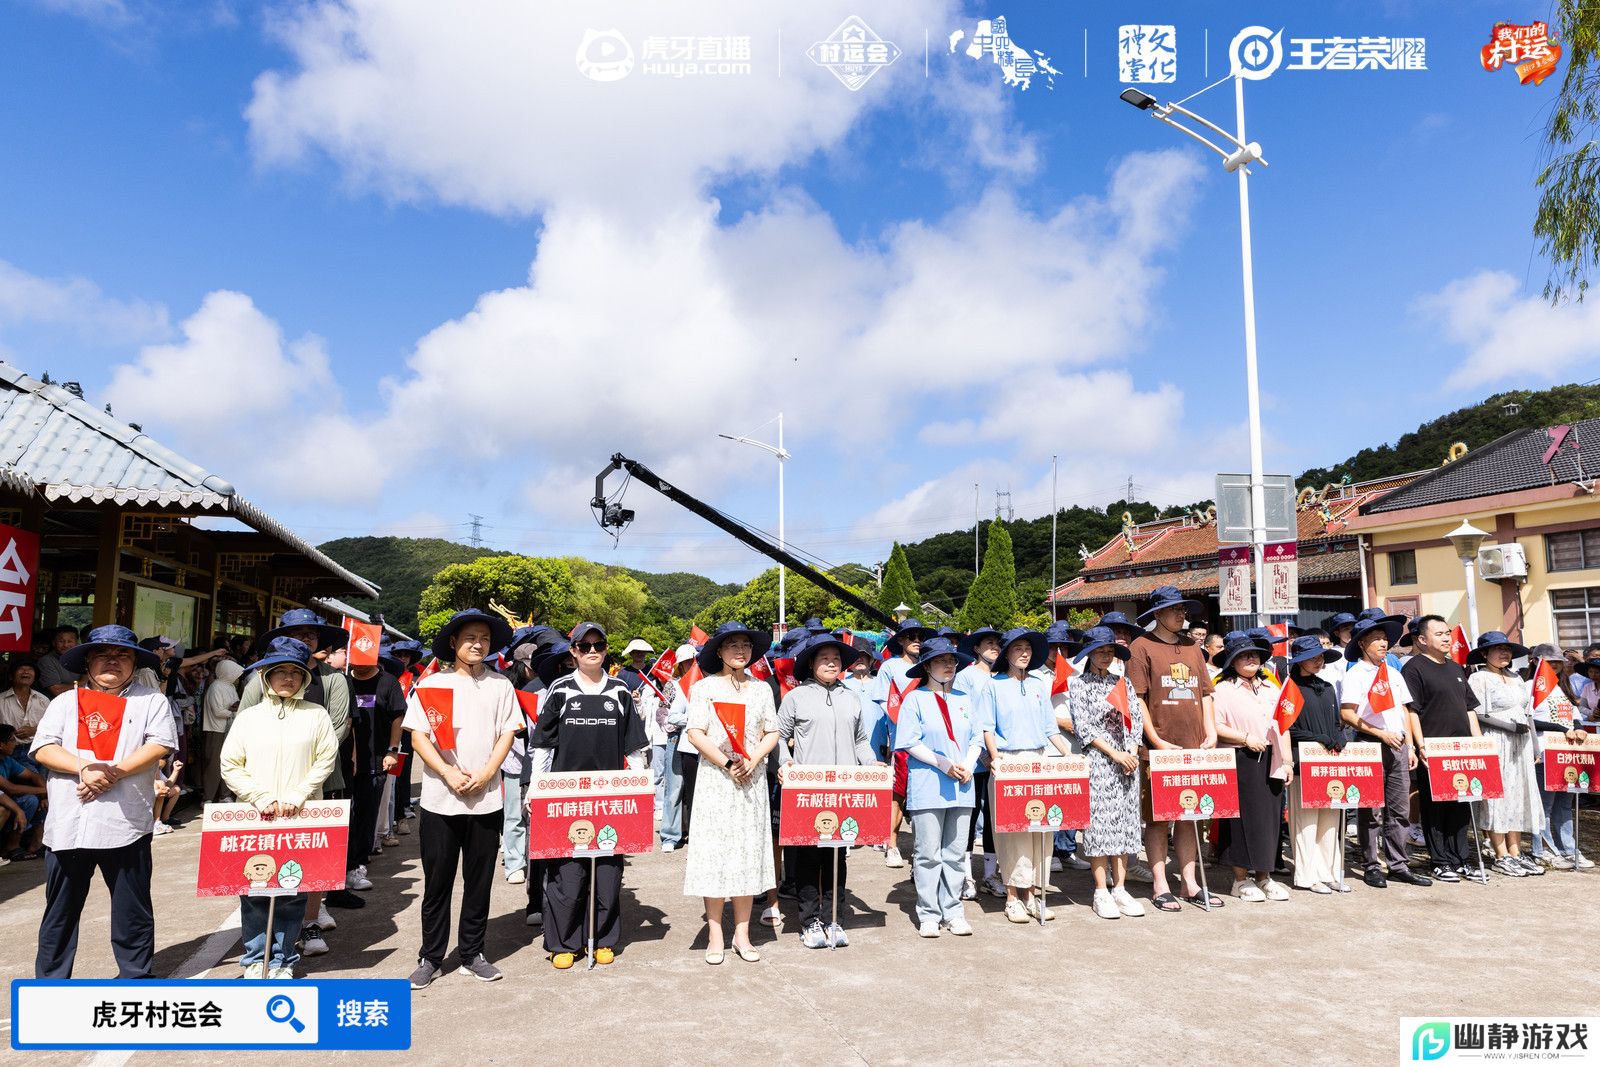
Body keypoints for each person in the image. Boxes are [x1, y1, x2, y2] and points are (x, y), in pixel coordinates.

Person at [29, 625, 178, 978]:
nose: (113, 661)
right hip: (69, 825)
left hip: (124, 823)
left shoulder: (150, 700)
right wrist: (85, 769)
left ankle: (136, 979)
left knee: (132, 911)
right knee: (60, 912)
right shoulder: (66, 701)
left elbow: (160, 745)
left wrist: (111, 772)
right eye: (102, 655)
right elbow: (44, 748)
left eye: (122, 655)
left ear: (133, 662)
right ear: (88, 662)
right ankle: (50, 988)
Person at [404, 609, 520, 988]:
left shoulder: (501, 685)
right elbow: (418, 736)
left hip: (485, 801)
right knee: (437, 882)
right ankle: (430, 956)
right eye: (470, 637)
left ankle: (472, 952)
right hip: (440, 799)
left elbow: (507, 733)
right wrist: (448, 772)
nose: (477, 644)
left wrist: (487, 773)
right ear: (453, 643)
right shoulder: (433, 684)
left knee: (479, 880)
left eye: (484, 638)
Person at [219, 637, 338, 978]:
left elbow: (325, 759)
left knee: (291, 891)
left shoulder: (317, 715)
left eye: (296, 672)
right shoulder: (249, 717)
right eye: (280, 671)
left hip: (300, 815)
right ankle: (256, 959)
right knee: (254, 891)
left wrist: (299, 794)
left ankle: (284, 960)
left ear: (305, 678)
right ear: (265, 676)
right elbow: (231, 763)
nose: (288, 678)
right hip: (255, 816)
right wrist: (259, 797)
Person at [532, 622, 648, 970]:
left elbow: (635, 749)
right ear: (574, 651)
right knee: (568, 874)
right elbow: (542, 746)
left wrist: (641, 787)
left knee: (609, 873)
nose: (592, 650)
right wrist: (536, 790)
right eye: (585, 646)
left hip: (611, 797)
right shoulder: (560, 690)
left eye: (598, 644)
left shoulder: (620, 691)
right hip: (566, 798)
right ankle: (565, 942)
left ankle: (604, 938)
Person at [682, 621, 780, 965]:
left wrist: (753, 759)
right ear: (719, 651)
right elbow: (696, 732)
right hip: (716, 780)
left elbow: (772, 731)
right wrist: (727, 763)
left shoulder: (762, 689)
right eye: (733, 645)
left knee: (746, 855)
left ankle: (742, 933)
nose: (741, 650)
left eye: (746, 645)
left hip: (751, 781)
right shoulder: (705, 688)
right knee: (715, 854)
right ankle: (715, 934)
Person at [777, 633, 878, 949]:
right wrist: (785, 762)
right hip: (810, 790)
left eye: (836, 658)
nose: (832, 663)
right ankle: (809, 923)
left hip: (845, 788)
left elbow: (861, 740)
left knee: (838, 857)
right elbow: (779, 736)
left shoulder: (851, 697)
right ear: (811, 663)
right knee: (808, 859)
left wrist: (871, 764)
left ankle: (835, 918)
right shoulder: (796, 697)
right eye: (824, 658)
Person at [1126, 586, 1219, 911]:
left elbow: (1206, 692)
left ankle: (1190, 882)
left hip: (1194, 745)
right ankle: (1160, 883)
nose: (1182, 614)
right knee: (1157, 818)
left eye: (1183, 609)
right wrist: (1154, 739)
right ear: (1157, 614)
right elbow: (1136, 698)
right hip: (1159, 749)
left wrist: (1210, 732)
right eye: (1175, 609)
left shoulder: (1193, 647)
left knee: (1189, 815)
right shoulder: (1141, 647)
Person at [975, 628, 1071, 922]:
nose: (1025, 652)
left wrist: (1068, 756)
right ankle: (1012, 896)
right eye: (1018, 648)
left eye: (1028, 648)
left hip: (1039, 759)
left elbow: (1049, 727)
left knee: (1041, 829)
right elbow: (986, 727)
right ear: (1007, 653)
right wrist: (995, 758)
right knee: (1012, 831)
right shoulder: (993, 685)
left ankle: (1032, 894)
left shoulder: (1039, 683)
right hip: (1008, 760)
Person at [895, 637, 979, 938]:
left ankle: (953, 910)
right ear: (927, 666)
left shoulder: (964, 698)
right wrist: (944, 764)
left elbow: (976, 739)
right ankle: (929, 913)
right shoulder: (915, 699)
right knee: (928, 853)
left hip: (963, 784)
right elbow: (909, 741)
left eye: (952, 661)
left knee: (955, 853)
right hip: (929, 784)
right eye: (941, 661)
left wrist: (968, 764)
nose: (948, 666)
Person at [1339, 617, 1430, 889]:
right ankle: (1370, 864)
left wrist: (1411, 745)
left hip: (1399, 745)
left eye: (1384, 637)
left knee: (1399, 808)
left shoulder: (1392, 671)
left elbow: (1404, 709)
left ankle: (1398, 864)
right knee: (1371, 810)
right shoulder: (1356, 673)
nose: (1383, 642)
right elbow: (1346, 713)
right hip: (1370, 743)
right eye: (1376, 638)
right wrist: (1380, 733)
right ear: (1362, 643)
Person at [1069, 627, 1146, 920]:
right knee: (1100, 826)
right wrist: (1114, 754)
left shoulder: (1123, 683)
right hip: (1100, 762)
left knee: (1126, 824)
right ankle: (1100, 889)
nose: (1105, 656)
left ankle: (1121, 888)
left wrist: (1133, 750)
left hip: (1128, 762)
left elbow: (1135, 720)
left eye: (1109, 651)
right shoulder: (1079, 685)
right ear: (1088, 654)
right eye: (1099, 651)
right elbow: (1085, 728)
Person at [1210, 634, 1293, 901]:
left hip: (1272, 759)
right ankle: (1240, 879)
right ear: (1232, 660)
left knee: (1269, 820)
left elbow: (1283, 725)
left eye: (1255, 654)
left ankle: (1264, 876)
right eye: (1244, 655)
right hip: (1240, 757)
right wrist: (1245, 738)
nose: (1251, 658)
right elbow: (1215, 726)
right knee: (1241, 821)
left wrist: (1288, 761)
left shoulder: (1271, 687)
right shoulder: (1222, 689)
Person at [1404, 615, 1485, 883]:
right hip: (1435, 748)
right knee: (1435, 807)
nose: (1447, 638)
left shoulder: (1456, 668)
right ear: (1422, 640)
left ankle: (1460, 858)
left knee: (1461, 805)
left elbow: (1469, 708)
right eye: (1439, 634)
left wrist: (1478, 742)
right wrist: (1420, 744)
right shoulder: (1414, 668)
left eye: (1447, 632)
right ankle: (1439, 861)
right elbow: (1411, 711)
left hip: (1461, 750)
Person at [1464, 632, 1544, 877]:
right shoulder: (1480, 677)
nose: (1504, 653)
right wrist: (1508, 727)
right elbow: (1475, 713)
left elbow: (1527, 713)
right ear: (1485, 653)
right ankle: (1500, 854)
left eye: (1507, 649)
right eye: (1497, 649)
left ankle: (1516, 852)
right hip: (1495, 740)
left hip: (1521, 742)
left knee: (1519, 793)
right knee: (1498, 795)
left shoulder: (1517, 678)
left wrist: (1534, 745)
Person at [1282, 636, 1349, 894]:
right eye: (1312, 657)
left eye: (1320, 656)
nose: (1318, 660)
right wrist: (1317, 738)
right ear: (1299, 661)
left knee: (1331, 820)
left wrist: (1339, 738)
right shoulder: (1290, 688)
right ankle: (1307, 875)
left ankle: (1329, 872)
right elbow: (1287, 727)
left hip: (1329, 762)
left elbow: (1336, 722)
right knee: (1306, 823)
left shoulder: (1328, 686)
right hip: (1303, 761)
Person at [868, 618, 935, 869]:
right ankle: (892, 844)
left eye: (920, 636)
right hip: (902, 742)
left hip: (929, 745)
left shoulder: (929, 665)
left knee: (924, 796)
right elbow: (885, 703)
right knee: (898, 795)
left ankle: (922, 848)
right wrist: (905, 724)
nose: (917, 640)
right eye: (911, 636)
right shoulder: (890, 666)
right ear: (901, 641)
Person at [347, 645, 408, 891]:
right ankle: (341, 861)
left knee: (367, 812)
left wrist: (392, 750)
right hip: (344, 761)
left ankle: (359, 862)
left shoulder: (388, 683)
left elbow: (398, 717)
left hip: (376, 759)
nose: (359, 666)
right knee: (344, 815)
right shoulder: (342, 681)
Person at [1525, 644, 1592, 868]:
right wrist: (1560, 728)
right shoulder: (1528, 687)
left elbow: (1573, 714)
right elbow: (1528, 719)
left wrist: (1578, 727)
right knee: (1545, 804)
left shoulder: (1563, 687)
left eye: (1557, 663)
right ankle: (1543, 849)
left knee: (1565, 804)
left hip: (1567, 753)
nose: (1553, 666)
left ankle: (1568, 849)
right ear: (1535, 661)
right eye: (1549, 662)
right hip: (1543, 753)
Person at [954, 626, 1002, 899]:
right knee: (970, 818)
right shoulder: (966, 677)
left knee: (995, 819)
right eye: (988, 643)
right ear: (976, 648)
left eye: (997, 643)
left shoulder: (1001, 676)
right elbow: (968, 717)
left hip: (997, 760)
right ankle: (966, 876)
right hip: (973, 759)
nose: (994, 647)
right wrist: (982, 752)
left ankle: (990, 875)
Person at [200, 658, 244, 804]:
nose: (237, 677)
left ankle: (225, 795)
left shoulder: (229, 686)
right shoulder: (216, 687)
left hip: (229, 729)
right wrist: (232, 711)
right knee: (213, 764)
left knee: (228, 761)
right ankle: (208, 797)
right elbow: (218, 711)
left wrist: (234, 708)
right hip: (216, 730)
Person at [0, 724, 47, 859]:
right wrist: (45, 790)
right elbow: (10, 788)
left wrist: (45, 796)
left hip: (5, 800)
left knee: (36, 801)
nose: (15, 744)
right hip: (4, 802)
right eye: (12, 741)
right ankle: (9, 847)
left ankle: (24, 846)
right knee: (23, 803)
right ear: (1, 745)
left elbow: (34, 776)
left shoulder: (7, 760)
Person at [0, 661, 50, 747]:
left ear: (34, 678)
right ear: (11, 677)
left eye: (30, 669)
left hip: (37, 748)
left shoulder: (43, 700)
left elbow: (52, 725)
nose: (26, 672)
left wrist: (34, 730)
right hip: (8, 751)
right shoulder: (1, 700)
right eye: (21, 669)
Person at [35, 626, 81, 697]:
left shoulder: (83, 658)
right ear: (54, 643)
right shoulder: (46, 661)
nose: (65, 645)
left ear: (77, 642)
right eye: (61, 641)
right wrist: (82, 682)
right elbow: (57, 691)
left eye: (70, 641)